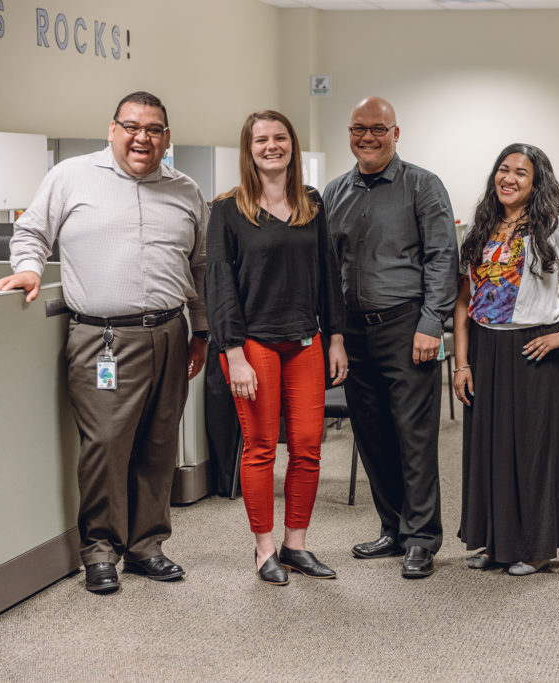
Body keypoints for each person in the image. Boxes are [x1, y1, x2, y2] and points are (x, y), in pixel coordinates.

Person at [0, 91, 209, 593]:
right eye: (132, 126)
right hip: (102, 338)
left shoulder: (186, 190)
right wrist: (27, 271)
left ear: (167, 138)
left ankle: (147, 546)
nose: (142, 138)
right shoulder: (71, 177)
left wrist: (200, 330)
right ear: (112, 130)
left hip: (170, 332)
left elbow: (201, 267)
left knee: (159, 445)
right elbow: (30, 234)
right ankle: (100, 550)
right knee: (106, 447)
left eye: (154, 129)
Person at [453, 143, 559, 576]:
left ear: (536, 181)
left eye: (520, 173)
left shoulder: (552, 226)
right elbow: (463, 299)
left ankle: (537, 547)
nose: (509, 178)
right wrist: (462, 363)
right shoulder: (480, 226)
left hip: (535, 348)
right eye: (503, 170)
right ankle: (494, 542)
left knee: (533, 450)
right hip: (486, 347)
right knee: (488, 447)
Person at [205, 110, 348, 585]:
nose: (272, 146)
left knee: (307, 447)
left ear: (293, 144)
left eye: (280, 137)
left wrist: (336, 338)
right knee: (262, 448)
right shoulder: (227, 210)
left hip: (306, 340)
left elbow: (329, 273)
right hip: (254, 345)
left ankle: (296, 545)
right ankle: (264, 549)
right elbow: (220, 285)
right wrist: (233, 353)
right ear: (249, 148)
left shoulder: (311, 203)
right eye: (261, 139)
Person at [323, 96, 457, 579]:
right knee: (372, 433)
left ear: (395, 134)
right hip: (353, 333)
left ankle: (422, 538)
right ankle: (393, 528)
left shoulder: (422, 186)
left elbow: (443, 257)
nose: (368, 137)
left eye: (378, 129)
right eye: (359, 128)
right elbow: (326, 269)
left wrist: (430, 324)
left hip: (406, 327)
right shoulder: (334, 193)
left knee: (414, 436)